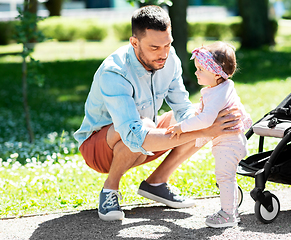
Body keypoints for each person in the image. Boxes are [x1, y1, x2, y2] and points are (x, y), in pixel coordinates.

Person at [73, 6, 241, 221]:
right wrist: (207, 131)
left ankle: (156, 183)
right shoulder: (114, 72)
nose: (163, 53)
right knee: (145, 126)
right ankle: (109, 190)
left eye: (167, 44)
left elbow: (183, 108)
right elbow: (134, 136)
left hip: (146, 137)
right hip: (99, 149)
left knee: (195, 116)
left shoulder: (170, 59)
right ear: (135, 43)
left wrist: (204, 125)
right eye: (154, 47)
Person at [166, 42, 252, 228]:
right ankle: (231, 208)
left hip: (228, 143)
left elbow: (205, 119)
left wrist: (182, 127)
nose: (196, 72)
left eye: (200, 69)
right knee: (226, 177)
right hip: (230, 141)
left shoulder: (218, 93)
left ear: (215, 72)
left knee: (224, 177)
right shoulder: (221, 88)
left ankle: (228, 215)